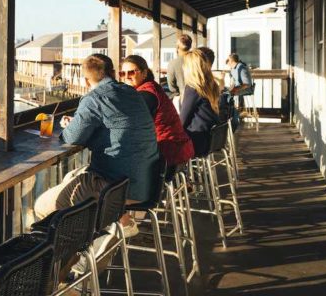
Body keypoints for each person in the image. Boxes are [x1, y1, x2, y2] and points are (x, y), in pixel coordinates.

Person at [34, 54, 159, 226]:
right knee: (70, 176)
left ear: (86, 81)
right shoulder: (132, 92)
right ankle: (108, 228)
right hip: (145, 181)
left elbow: (72, 137)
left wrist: (69, 127)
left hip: (116, 188)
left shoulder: (94, 98)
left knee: (42, 206)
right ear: (113, 73)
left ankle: (82, 238)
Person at [120, 55, 194, 170]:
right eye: (122, 73)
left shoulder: (146, 95)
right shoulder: (152, 87)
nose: (126, 77)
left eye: (131, 72)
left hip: (167, 153)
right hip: (179, 148)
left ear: (144, 73)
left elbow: (131, 126)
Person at [180, 50, 221, 157]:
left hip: (197, 141)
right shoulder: (211, 85)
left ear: (189, 68)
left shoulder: (193, 89)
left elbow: (183, 120)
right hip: (211, 139)